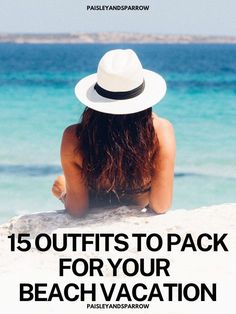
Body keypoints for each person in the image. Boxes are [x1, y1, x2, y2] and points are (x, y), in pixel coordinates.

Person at [52, 49, 176, 216]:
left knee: (60, 182)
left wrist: (62, 192)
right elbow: (161, 205)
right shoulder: (160, 131)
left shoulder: (74, 137)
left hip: (95, 220)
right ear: (143, 98)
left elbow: (78, 210)